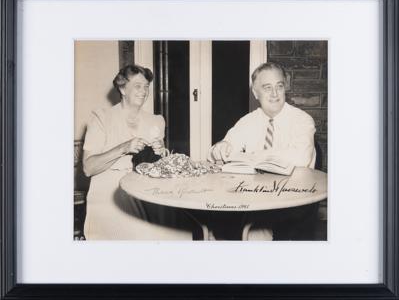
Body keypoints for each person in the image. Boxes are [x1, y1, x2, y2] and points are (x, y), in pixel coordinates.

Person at [208, 62, 318, 240]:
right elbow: (224, 148)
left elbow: (301, 157)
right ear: (255, 93)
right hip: (254, 198)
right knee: (216, 224)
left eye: (279, 86)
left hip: (293, 201)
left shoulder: (302, 120)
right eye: (267, 88)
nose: (274, 94)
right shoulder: (248, 121)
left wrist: (252, 157)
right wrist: (221, 147)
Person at [83, 64, 192, 240]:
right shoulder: (101, 118)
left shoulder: (156, 121)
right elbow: (88, 168)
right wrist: (124, 147)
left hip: (144, 191)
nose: (144, 91)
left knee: (178, 232)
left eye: (147, 86)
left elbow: (158, 166)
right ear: (122, 88)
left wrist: (161, 153)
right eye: (138, 86)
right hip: (110, 193)